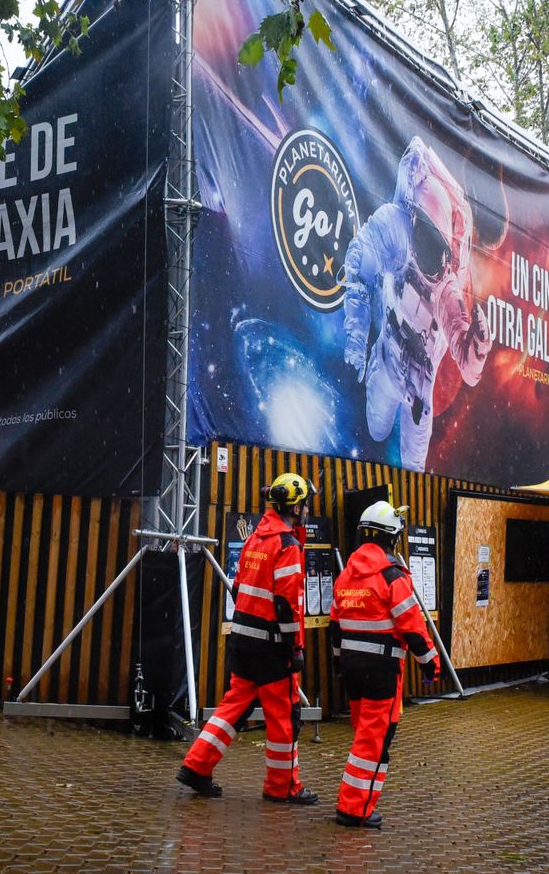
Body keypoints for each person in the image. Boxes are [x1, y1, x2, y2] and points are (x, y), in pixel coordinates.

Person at [341, 137, 492, 471]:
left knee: (413, 466)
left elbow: (462, 350)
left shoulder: (446, 287)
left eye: (436, 242)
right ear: (413, 221)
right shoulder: (396, 229)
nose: (430, 249)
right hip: (386, 359)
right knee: (375, 428)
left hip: (420, 393)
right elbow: (360, 260)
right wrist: (356, 330)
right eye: (424, 235)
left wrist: (477, 348)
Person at [177, 472, 317, 804]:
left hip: (243, 639)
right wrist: (294, 647)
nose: (309, 509)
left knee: (232, 709)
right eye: (306, 503)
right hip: (271, 647)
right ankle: (282, 787)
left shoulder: (256, 537)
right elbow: (287, 604)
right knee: (284, 718)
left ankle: (196, 766)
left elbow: (238, 587)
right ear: (295, 508)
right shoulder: (287, 544)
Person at [330, 500, 439, 829]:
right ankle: (354, 808)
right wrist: (430, 664)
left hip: (352, 669)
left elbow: (335, 628)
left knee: (364, 737)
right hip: (382, 671)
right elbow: (412, 627)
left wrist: (339, 664)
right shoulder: (392, 574)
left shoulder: (347, 574)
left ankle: (357, 802)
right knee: (374, 742)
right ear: (392, 538)